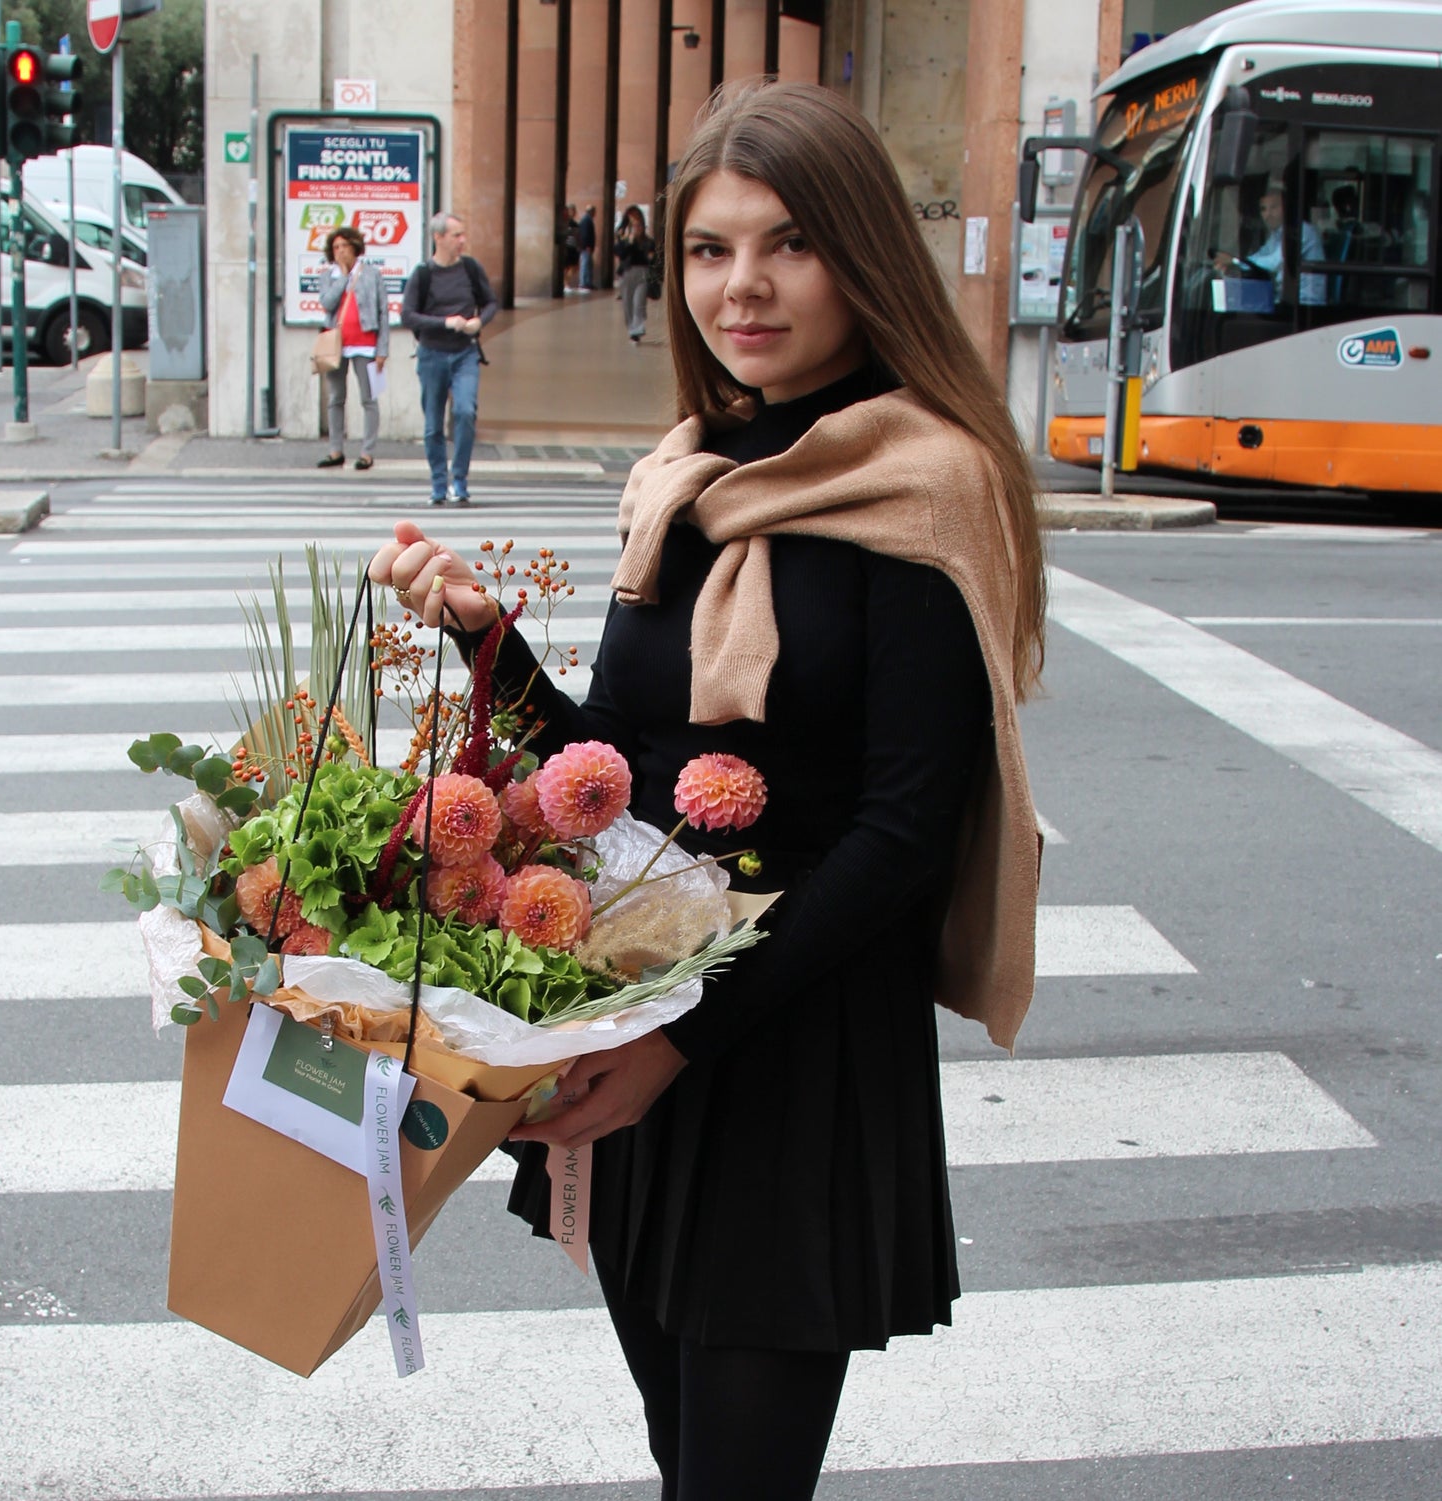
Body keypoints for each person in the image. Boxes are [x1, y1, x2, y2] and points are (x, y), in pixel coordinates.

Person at [371, 80, 1044, 1501]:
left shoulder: (930, 485)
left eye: (788, 244)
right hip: (654, 1035)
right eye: (707, 250)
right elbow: (607, 774)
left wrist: (678, 1044)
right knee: (687, 1454)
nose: (742, 287)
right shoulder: (685, 478)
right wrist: (480, 635)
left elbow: (907, 829)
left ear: (860, 253)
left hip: (791, 1051)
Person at [400, 212, 498, 506]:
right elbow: (407, 315)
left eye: (463, 234)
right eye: (456, 235)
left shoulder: (470, 268)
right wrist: (444, 322)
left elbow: (491, 302)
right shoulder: (423, 274)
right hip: (432, 354)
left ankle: (460, 481)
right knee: (433, 424)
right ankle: (439, 485)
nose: (462, 241)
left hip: (465, 353)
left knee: (465, 412)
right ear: (438, 237)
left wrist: (479, 322)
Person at [315, 226, 389, 471]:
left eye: (344, 246)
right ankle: (336, 450)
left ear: (355, 248)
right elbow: (327, 303)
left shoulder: (371, 274)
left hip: (366, 346)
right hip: (337, 346)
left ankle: (367, 452)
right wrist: (343, 279)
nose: (340, 252)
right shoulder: (329, 276)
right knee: (336, 398)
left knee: (369, 399)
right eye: (336, 248)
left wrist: (382, 349)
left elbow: (383, 312)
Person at [1214, 185, 1327, 305]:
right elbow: (1261, 256)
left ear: (1286, 208)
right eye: (1263, 209)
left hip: (1305, 303)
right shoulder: (1278, 234)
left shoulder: (1302, 231)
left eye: (1274, 207)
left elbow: (1274, 263)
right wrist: (1234, 263)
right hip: (1284, 299)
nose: (1268, 214)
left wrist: (1234, 261)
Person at [615, 204, 655, 343]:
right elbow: (620, 254)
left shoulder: (647, 240)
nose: (636, 226)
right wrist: (629, 241)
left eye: (638, 223)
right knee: (628, 303)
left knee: (639, 301)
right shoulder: (623, 238)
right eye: (633, 222)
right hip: (627, 273)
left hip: (642, 273)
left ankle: (637, 329)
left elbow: (652, 256)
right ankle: (631, 327)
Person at [577, 204, 597, 291]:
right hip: (586, 247)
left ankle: (587, 282)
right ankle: (583, 283)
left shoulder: (587, 219)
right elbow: (585, 234)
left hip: (586, 247)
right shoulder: (586, 220)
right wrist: (587, 246)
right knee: (585, 264)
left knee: (588, 264)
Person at [561, 204, 580, 290]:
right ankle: (565, 284)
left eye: (574, 211)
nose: (573, 212)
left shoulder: (573, 223)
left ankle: (566, 283)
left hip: (573, 247)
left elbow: (577, 235)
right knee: (567, 267)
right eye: (571, 211)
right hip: (568, 247)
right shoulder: (565, 222)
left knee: (574, 267)